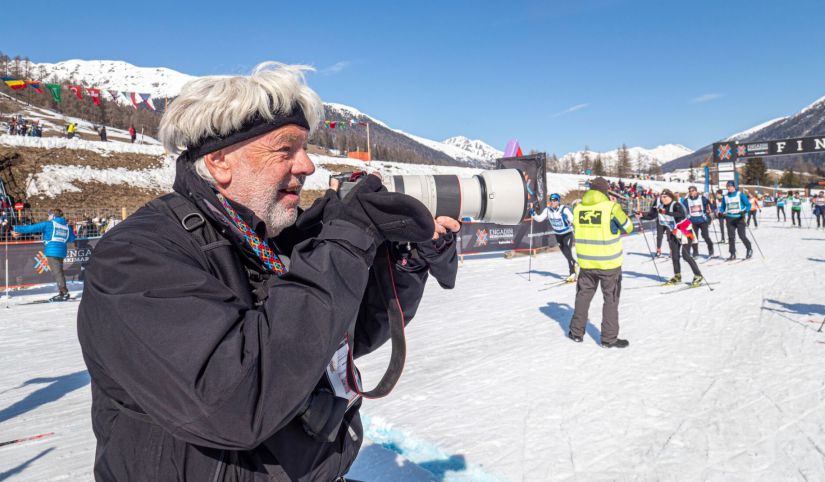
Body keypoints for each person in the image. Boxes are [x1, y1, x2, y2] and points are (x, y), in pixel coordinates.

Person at [77, 62, 460, 481]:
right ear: (221, 161)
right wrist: (346, 239)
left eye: (306, 148)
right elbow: (235, 400)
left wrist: (405, 263)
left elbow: (342, 337)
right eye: (286, 149)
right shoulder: (137, 257)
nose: (308, 166)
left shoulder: (268, 237)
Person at [568, 177, 633, 348]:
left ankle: (576, 333)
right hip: (609, 263)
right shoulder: (611, 207)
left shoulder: (578, 208)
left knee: (582, 297)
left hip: (586, 262)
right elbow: (628, 227)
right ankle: (608, 339)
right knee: (610, 300)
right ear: (605, 191)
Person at [642, 189, 704, 287]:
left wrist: (666, 212)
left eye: (665, 197)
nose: (663, 199)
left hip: (685, 231)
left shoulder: (676, 205)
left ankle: (698, 275)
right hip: (674, 232)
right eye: (662, 197)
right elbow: (651, 216)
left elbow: (681, 214)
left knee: (685, 255)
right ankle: (677, 276)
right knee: (674, 255)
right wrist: (641, 215)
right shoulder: (661, 206)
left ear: (670, 197)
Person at [11, 208, 75, 301]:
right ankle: (62, 292)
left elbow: (31, 228)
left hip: (52, 251)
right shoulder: (66, 226)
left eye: (48, 215)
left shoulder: (49, 224)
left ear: (53, 216)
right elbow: (72, 238)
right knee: (59, 271)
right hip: (61, 251)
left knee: (57, 272)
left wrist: (16, 228)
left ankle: (64, 293)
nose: (48, 217)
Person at [531, 192, 576, 281]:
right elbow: (540, 219)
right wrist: (533, 214)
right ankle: (574, 263)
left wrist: (567, 219)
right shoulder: (547, 210)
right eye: (551, 200)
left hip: (567, 233)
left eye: (555, 200)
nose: (552, 202)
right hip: (558, 234)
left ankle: (572, 273)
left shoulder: (564, 209)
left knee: (567, 250)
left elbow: (573, 220)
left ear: (558, 201)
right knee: (565, 253)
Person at [719, 181, 753, 260]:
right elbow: (723, 207)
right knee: (731, 237)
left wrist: (744, 211)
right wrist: (720, 212)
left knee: (741, 236)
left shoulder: (740, 194)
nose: (728, 188)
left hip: (739, 218)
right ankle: (732, 253)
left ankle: (749, 248)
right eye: (727, 186)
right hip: (729, 218)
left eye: (730, 186)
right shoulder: (725, 196)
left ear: (734, 187)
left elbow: (748, 205)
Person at [680, 185, 715, 258]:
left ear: (696, 191)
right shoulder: (686, 200)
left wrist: (710, 210)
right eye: (690, 191)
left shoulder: (702, 198)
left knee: (705, 236)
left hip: (702, 220)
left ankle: (711, 249)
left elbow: (710, 205)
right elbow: (682, 208)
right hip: (692, 221)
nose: (691, 192)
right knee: (693, 238)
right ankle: (695, 252)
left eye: (693, 190)